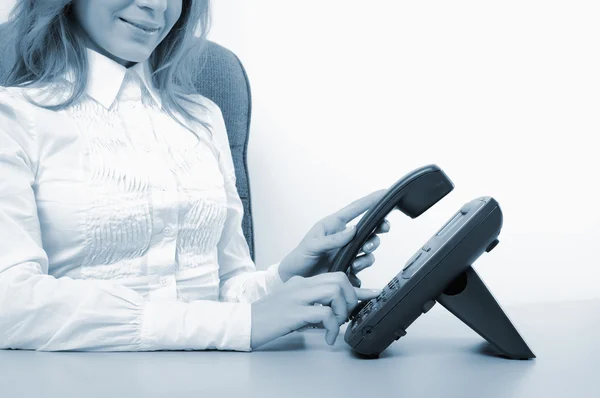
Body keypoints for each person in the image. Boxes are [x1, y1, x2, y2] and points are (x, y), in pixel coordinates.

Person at [0, 0, 390, 352]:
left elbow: (227, 290)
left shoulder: (201, 117)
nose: (157, 5)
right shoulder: (15, 117)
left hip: (218, 378)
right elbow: (10, 304)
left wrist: (286, 279)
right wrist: (238, 325)